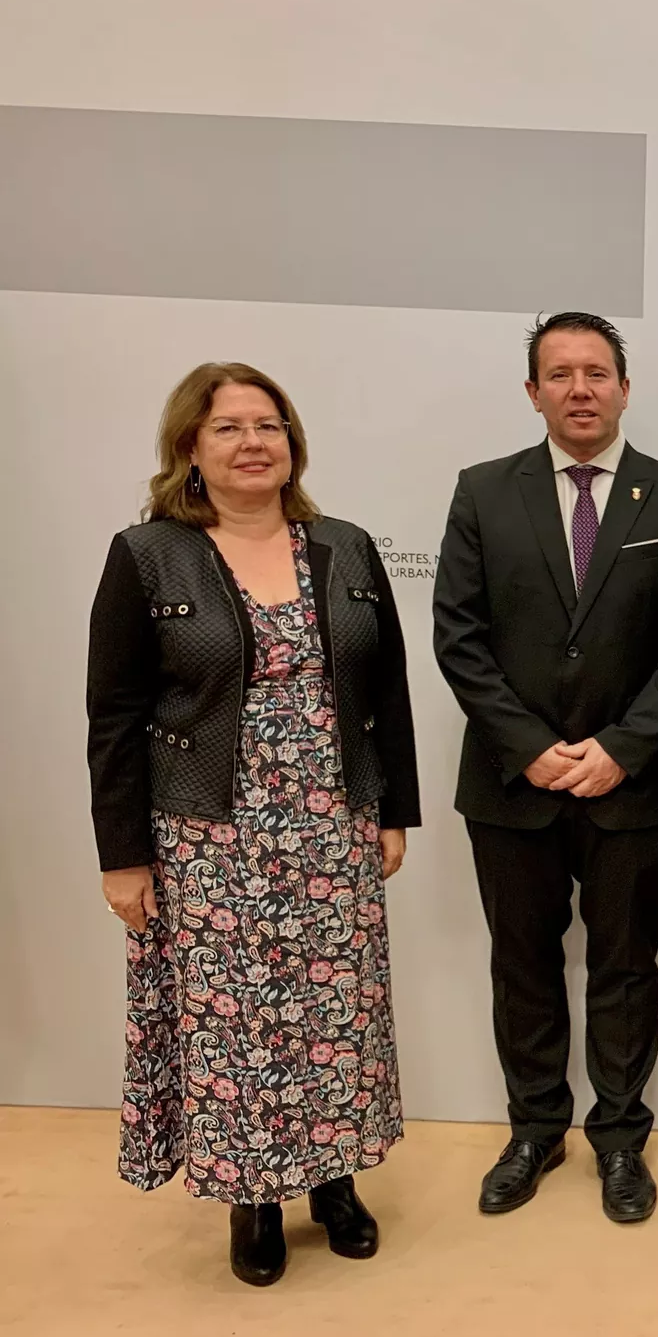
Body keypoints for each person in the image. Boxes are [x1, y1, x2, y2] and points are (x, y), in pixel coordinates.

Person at [87, 362, 418, 1287]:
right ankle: (255, 1199)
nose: (252, 443)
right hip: (209, 834)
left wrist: (394, 810)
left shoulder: (346, 546)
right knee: (238, 1026)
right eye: (228, 427)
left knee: (337, 1011)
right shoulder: (149, 555)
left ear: (292, 443)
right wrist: (123, 857)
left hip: (332, 819)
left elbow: (387, 688)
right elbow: (113, 716)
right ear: (190, 448)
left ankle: (336, 1184)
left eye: (268, 425)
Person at [433, 311, 658, 1225]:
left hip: (630, 783)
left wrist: (622, 748)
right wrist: (530, 747)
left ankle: (620, 1139)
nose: (580, 389)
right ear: (533, 392)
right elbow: (459, 636)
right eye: (560, 374)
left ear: (625, 388)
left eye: (597, 373)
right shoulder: (483, 492)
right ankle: (534, 1129)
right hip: (512, 783)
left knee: (626, 968)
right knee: (523, 964)